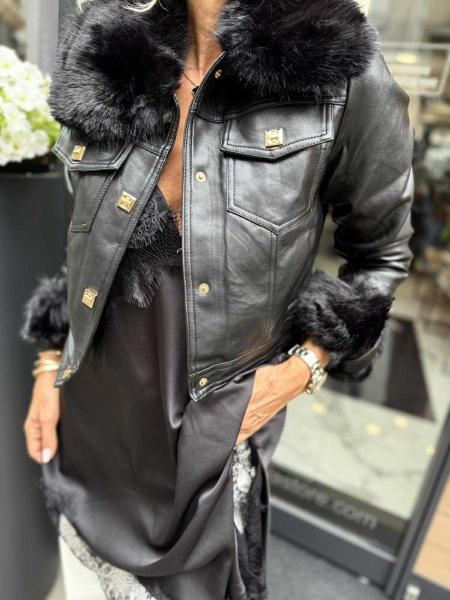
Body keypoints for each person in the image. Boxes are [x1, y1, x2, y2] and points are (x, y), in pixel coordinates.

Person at [21, 0, 414, 598]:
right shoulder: (110, 44)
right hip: (91, 421)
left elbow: (381, 256)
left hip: (211, 438)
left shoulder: (336, 64)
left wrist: (298, 373)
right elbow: (84, 241)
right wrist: (51, 363)